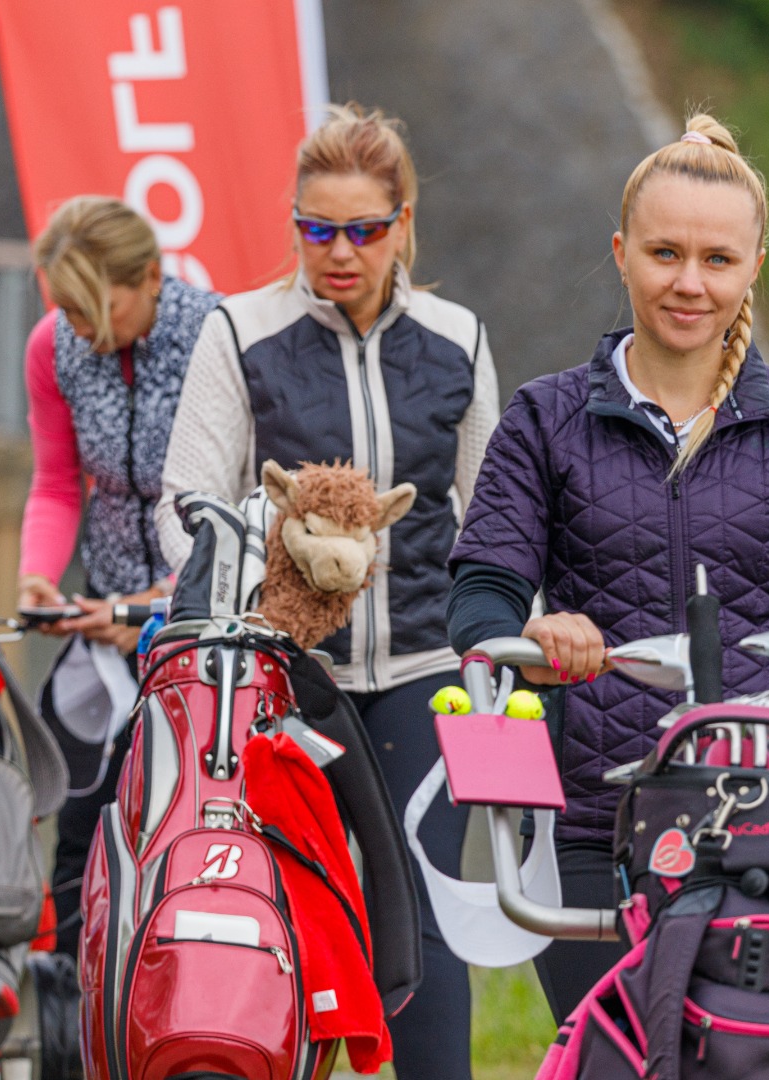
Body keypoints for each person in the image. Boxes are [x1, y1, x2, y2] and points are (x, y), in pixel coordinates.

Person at [446, 114, 769, 1021]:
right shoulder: (543, 420)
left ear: (754, 266)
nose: (689, 283)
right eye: (665, 253)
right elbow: (478, 599)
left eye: (717, 260)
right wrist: (529, 632)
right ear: (621, 254)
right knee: (614, 1057)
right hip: (587, 829)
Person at [156, 104, 499, 1080]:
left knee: (425, 910)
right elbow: (184, 503)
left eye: (364, 229)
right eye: (317, 228)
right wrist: (272, 560)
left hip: (425, 670)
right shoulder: (240, 330)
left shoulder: (458, 338)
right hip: (282, 679)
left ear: (403, 223)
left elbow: (494, 516)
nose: (340, 251)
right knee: (277, 906)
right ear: (295, 224)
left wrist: (492, 645)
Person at [17, 194, 220, 957]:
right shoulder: (55, 346)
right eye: (64, 308)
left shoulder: (216, 336)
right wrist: (37, 577)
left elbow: (233, 502)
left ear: (150, 279)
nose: (76, 327)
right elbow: (57, 482)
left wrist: (151, 606)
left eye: (92, 309)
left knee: (177, 830)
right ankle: (67, 996)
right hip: (102, 626)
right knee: (81, 826)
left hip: (198, 621)